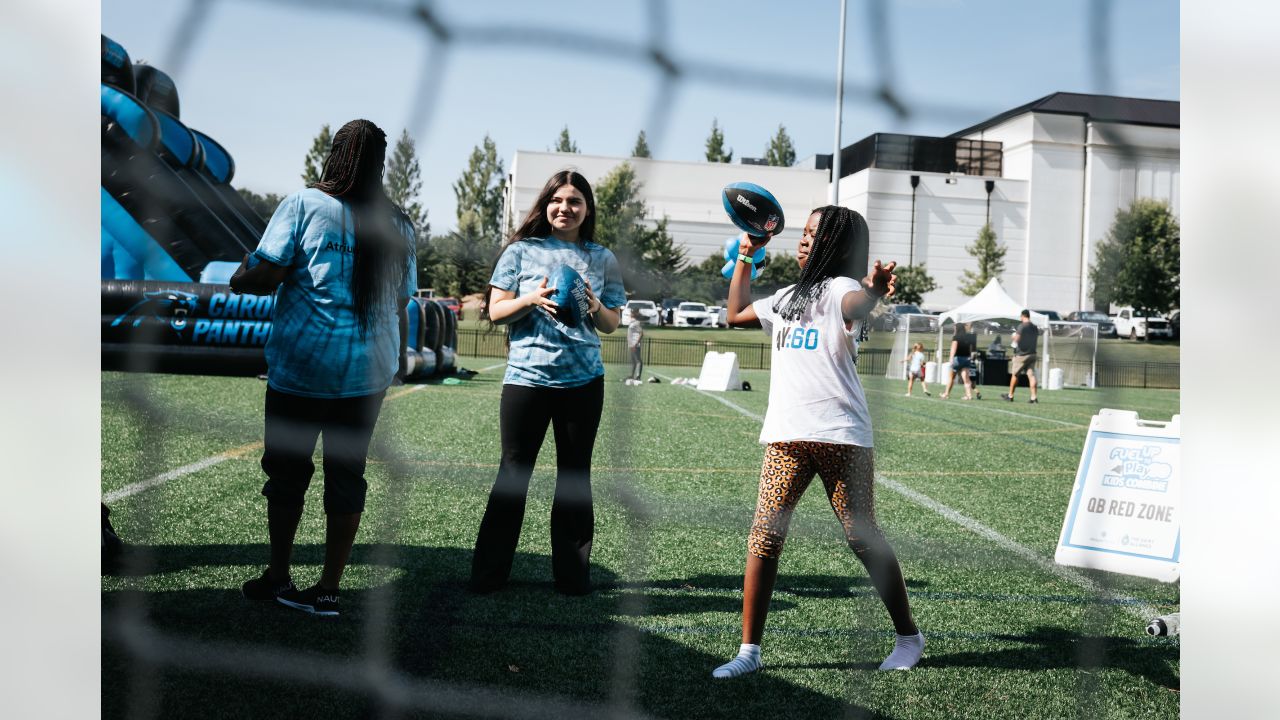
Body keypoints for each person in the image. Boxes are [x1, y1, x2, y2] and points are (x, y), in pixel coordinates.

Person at [715, 205, 924, 678]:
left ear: (838, 245)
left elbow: (858, 304)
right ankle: (749, 651)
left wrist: (872, 288)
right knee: (765, 536)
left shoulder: (843, 289)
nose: (805, 240)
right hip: (787, 436)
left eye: (815, 234)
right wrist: (746, 257)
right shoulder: (788, 295)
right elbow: (734, 314)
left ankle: (908, 637)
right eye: (804, 233)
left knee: (861, 536)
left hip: (841, 434)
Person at [231, 119, 416, 617]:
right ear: (381, 164)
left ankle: (277, 575)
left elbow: (264, 275)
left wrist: (240, 274)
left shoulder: (304, 204)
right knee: (346, 475)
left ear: (335, 156)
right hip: (366, 375)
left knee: (288, 474)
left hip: (303, 369)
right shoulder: (399, 223)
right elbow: (401, 301)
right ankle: (329, 589)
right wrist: (396, 361)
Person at [470, 170, 626, 596]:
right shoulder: (522, 251)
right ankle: (489, 574)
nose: (566, 208)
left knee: (575, 476)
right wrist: (530, 299)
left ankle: (573, 577)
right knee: (513, 474)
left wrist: (593, 305)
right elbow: (497, 310)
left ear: (587, 209)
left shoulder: (602, 258)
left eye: (575, 201)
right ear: (545, 204)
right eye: (558, 200)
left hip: (583, 382)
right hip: (527, 379)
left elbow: (613, 323)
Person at [1003, 309, 1040, 403]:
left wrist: (1013, 337)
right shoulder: (1035, 327)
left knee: (1015, 375)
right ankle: (1034, 397)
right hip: (1032, 353)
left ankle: (1010, 395)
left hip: (1022, 355)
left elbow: (1017, 339)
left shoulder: (1022, 326)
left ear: (1022, 316)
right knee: (1031, 376)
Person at [940, 322, 978, 400]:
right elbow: (970, 349)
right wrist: (970, 357)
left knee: (951, 377)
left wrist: (951, 358)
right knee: (966, 379)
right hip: (966, 359)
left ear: (957, 328)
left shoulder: (956, 337)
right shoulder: (968, 337)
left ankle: (946, 394)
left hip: (957, 359)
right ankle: (969, 395)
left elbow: (953, 348)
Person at [626, 309, 645, 384]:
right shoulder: (632, 322)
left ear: (633, 314)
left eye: (631, 313)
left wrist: (636, 343)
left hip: (635, 344)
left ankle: (638, 376)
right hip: (631, 344)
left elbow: (641, 333)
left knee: (638, 360)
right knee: (633, 361)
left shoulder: (637, 323)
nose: (630, 314)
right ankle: (632, 375)